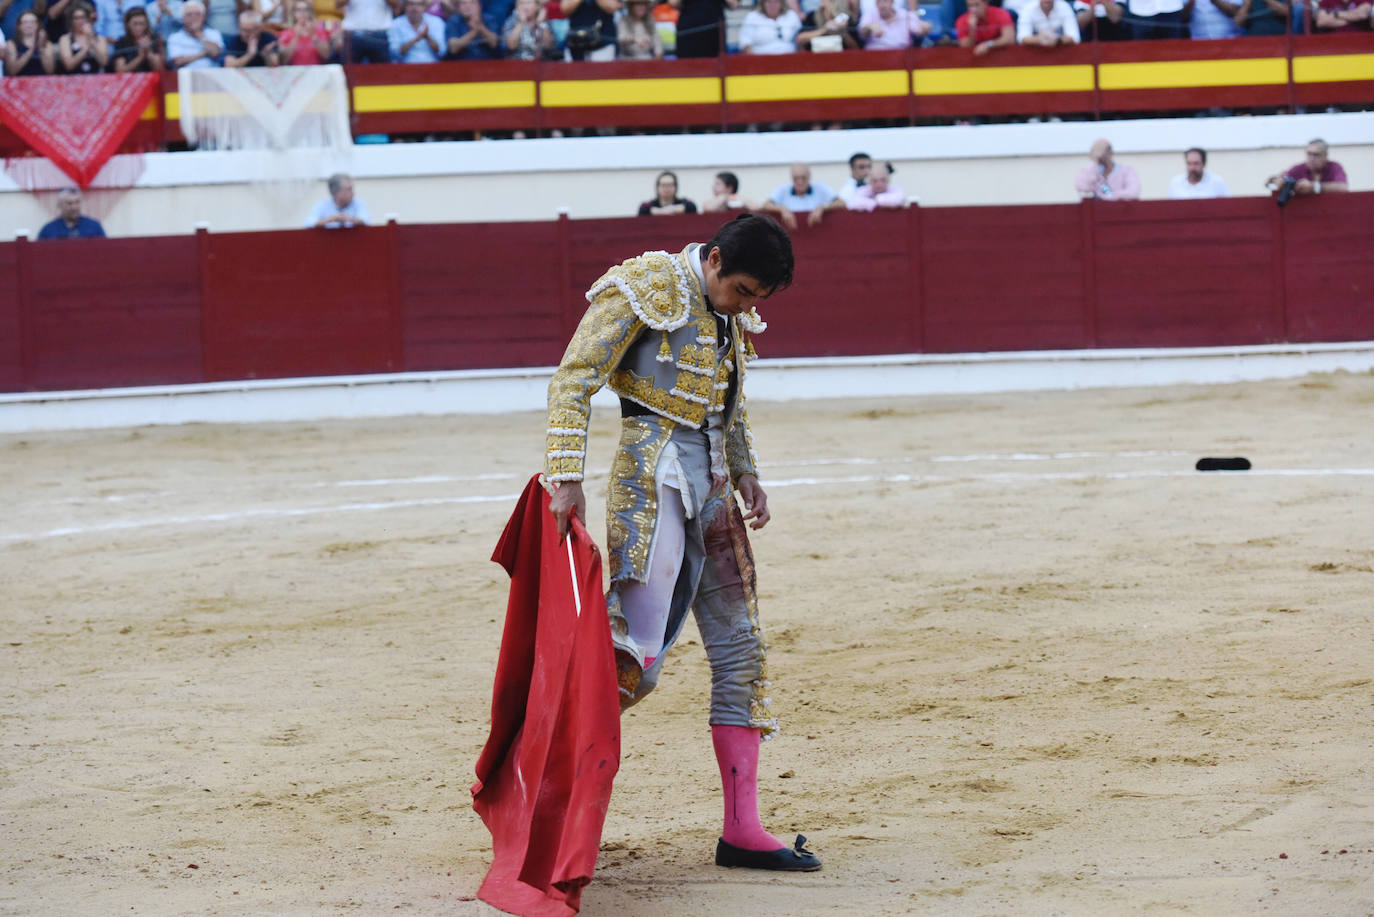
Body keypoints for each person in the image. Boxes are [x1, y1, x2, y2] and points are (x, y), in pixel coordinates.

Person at [543, 212, 822, 874]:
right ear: (717, 259)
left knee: (743, 652)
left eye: (759, 298)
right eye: (745, 291)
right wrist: (565, 479)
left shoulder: (729, 308)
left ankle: (742, 828)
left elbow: (728, 403)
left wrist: (747, 469)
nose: (749, 308)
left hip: (715, 483)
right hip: (653, 474)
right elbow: (573, 377)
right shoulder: (646, 284)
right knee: (630, 659)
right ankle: (554, 808)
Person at [762, 163, 843, 230]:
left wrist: (822, 208)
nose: (800, 181)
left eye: (803, 178)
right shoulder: (783, 190)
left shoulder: (821, 188)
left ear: (809, 176)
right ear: (791, 178)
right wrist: (782, 209)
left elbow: (841, 203)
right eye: (796, 178)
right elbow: (766, 205)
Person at [1265, 138, 1349, 198]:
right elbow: (1270, 183)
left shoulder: (1334, 167)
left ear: (1325, 156)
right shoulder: (1299, 168)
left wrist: (1314, 187)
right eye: (1309, 154)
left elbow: (1343, 187)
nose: (1311, 158)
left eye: (1316, 155)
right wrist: (1277, 181)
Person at [1074, 138, 1140, 201]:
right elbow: (1082, 187)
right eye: (1100, 157)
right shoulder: (1093, 171)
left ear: (1111, 153)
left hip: (1122, 210)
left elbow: (1133, 193)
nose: (1103, 160)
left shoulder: (1126, 170)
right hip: (1098, 210)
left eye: (1105, 154)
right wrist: (1094, 167)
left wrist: (1109, 197)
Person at [56, 0, 109, 70]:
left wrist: (91, 39)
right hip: (74, 78)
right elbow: (68, 65)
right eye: (76, 18)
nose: (80, 21)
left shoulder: (100, 38)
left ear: (88, 19)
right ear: (71, 20)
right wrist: (86, 49)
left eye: (83, 17)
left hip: (96, 78)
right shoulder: (65, 39)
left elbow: (104, 62)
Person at [670, 0, 735, 56]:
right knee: (687, 65)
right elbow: (673, 3)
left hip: (714, 29)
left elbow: (733, 4)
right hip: (689, 29)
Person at [304, 173, 370, 228]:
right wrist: (329, 220)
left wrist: (350, 219)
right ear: (336, 193)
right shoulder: (322, 205)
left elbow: (366, 221)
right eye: (349, 189)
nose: (353, 193)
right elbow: (308, 223)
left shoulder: (358, 203)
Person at [167, 0, 221, 65]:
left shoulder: (213, 33)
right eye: (189, 15)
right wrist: (204, 53)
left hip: (213, 73)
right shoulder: (175, 37)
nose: (194, 18)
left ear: (203, 17)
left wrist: (199, 34)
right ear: (183, 18)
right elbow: (178, 61)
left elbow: (215, 52)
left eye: (197, 14)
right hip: (186, 74)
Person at [37, 188, 106, 239]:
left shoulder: (94, 227)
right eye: (69, 203)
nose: (74, 207)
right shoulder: (48, 230)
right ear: (60, 205)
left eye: (77, 202)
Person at [858, 0, 928, 46]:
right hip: (875, 59)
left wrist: (924, 29)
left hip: (902, 57)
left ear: (892, 2)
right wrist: (869, 27)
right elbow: (861, 32)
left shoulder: (906, 15)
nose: (882, 5)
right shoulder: (869, 16)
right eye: (879, 2)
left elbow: (919, 31)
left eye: (885, 1)